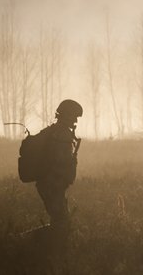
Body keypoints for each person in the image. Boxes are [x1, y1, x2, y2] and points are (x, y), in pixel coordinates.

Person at [36, 99, 82, 236]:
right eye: (73, 117)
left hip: (53, 184)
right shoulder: (61, 135)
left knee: (60, 222)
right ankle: (25, 240)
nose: (75, 121)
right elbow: (60, 161)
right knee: (61, 224)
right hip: (52, 184)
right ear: (66, 115)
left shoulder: (55, 132)